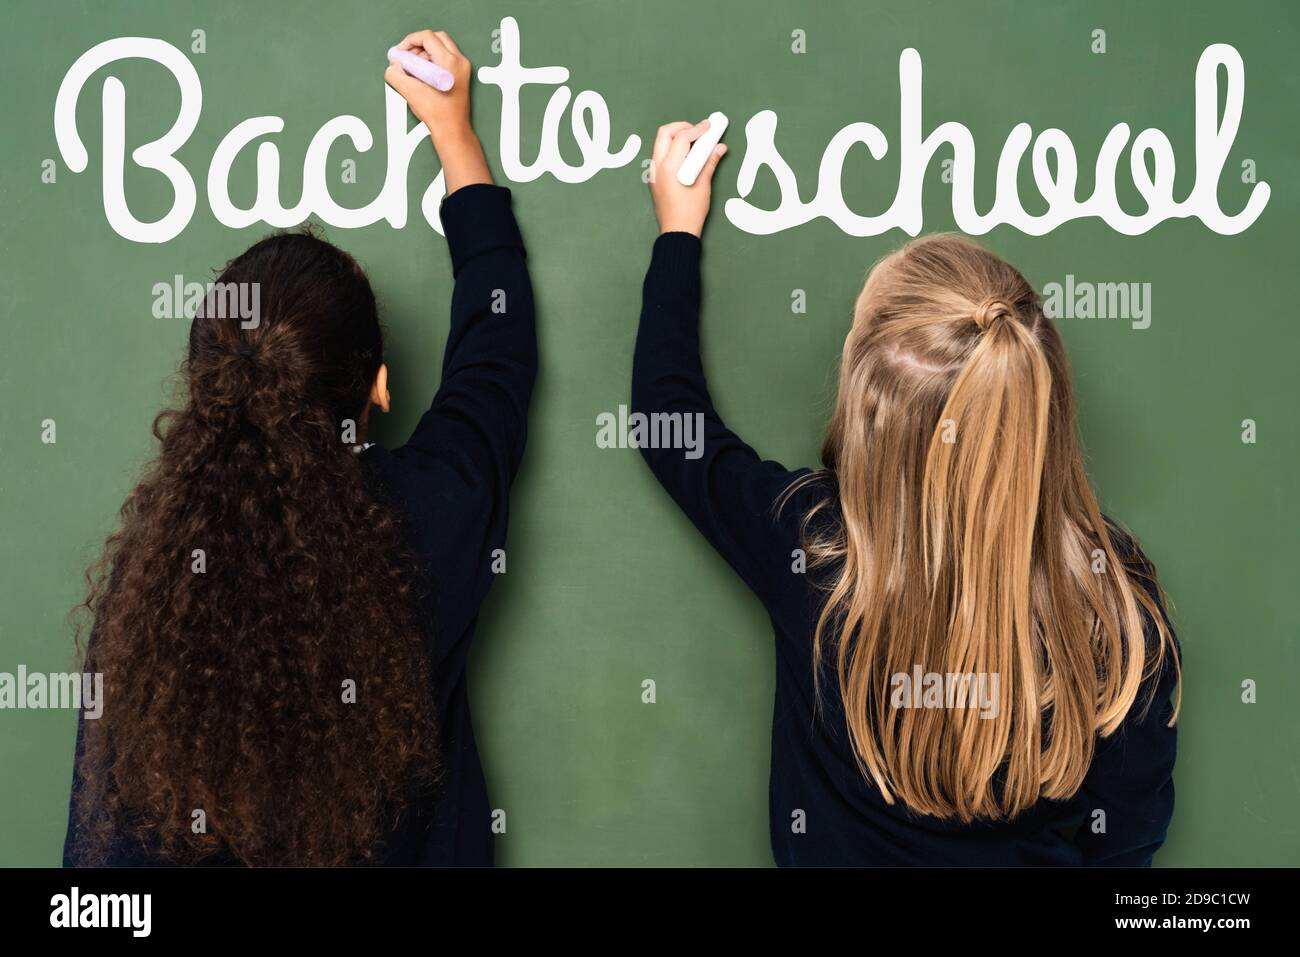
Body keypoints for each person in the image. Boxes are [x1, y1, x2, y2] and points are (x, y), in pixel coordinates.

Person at [631, 119, 1181, 866]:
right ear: (1036, 401)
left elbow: (668, 422)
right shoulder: (1116, 606)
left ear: (866, 415)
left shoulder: (816, 551)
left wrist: (677, 231)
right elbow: (1127, 841)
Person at [64, 29, 535, 867]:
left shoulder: (143, 598)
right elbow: (495, 356)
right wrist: (456, 138)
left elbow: (98, 866)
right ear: (378, 388)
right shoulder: (433, 521)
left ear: (205, 384)